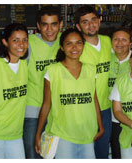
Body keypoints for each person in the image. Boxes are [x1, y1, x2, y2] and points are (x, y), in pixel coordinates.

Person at [35, 28, 104, 159]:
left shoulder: (91, 69)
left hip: (87, 132)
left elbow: (94, 99)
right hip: (62, 134)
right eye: (69, 43)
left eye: (78, 43)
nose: (74, 47)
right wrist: (38, 133)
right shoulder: (53, 71)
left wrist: (101, 126)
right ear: (62, 47)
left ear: (83, 45)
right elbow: (46, 104)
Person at [0, 23, 28, 159]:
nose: (21, 44)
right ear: (5, 42)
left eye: (25, 40)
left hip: (15, 134)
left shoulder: (24, 65)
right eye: (15, 40)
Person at [23, 5, 63, 158]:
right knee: (33, 154)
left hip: (58, 113)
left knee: (56, 156)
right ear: (38, 26)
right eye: (45, 24)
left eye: (54, 24)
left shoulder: (67, 41)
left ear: (60, 24)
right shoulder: (28, 43)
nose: (49, 29)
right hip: (33, 111)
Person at [75, 5, 112, 158]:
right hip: (84, 110)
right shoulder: (76, 48)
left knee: (102, 152)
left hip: (106, 108)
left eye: (93, 20)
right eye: (85, 22)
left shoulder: (108, 41)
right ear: (78, 26)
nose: (90, 25)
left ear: (100, 20)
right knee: (84, 152)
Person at [109, 27, 132, 159]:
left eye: (124, 40)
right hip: (109, 115)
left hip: (131, 115)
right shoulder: (106, 58)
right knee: (116, 151)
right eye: (116, 39)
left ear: (130, 43)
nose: (120, 43)